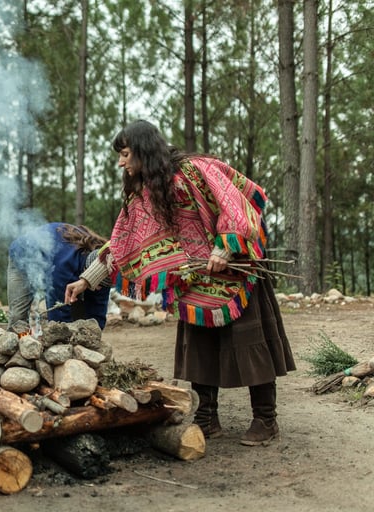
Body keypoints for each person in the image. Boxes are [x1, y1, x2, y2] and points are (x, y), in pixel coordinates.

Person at [65, 120, 295, 446]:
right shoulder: (142, 196)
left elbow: (237, 204)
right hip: (192, 280)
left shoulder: (197, 170)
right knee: (199, 350)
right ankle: (206, 417)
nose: (121, 162)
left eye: (126, 154)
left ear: (144, 150)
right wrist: (87, 281)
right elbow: (121, 244)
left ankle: (265, 419)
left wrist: (225, 248)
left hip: (234, 271)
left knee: (247, 343)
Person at [7, 222, 111, 333]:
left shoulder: (105, 265)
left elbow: (97, 311)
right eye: (98, 284)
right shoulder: (64, 266)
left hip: (52, 259)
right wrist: (63, 341)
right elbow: (58, 315)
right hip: (22, 256)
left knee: (80, 315)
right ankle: (14, 344)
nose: (98, 289)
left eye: (101, 285)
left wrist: (94, 333)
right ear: (86, 271)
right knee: (18, 316)